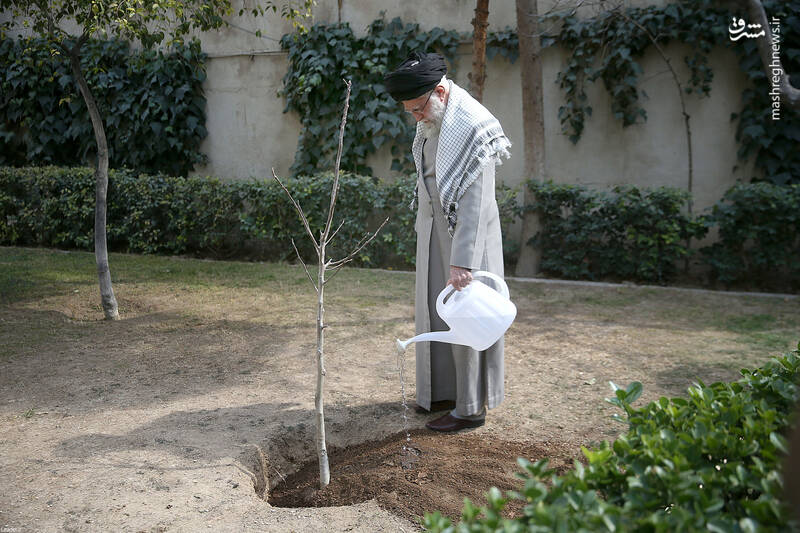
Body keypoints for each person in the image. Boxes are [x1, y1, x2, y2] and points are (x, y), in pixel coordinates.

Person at [384, 52, 511, 432]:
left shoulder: (472, 124)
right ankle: (440, 393)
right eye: (410, 111)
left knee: (467, 318)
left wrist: (463, 262)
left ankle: (470, 409)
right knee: (436, 312)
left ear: (439, 92)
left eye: (417, 109)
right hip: (436, 232)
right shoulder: (435, 116)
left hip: (465, 242)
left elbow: (477, 202)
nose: (415, 117)